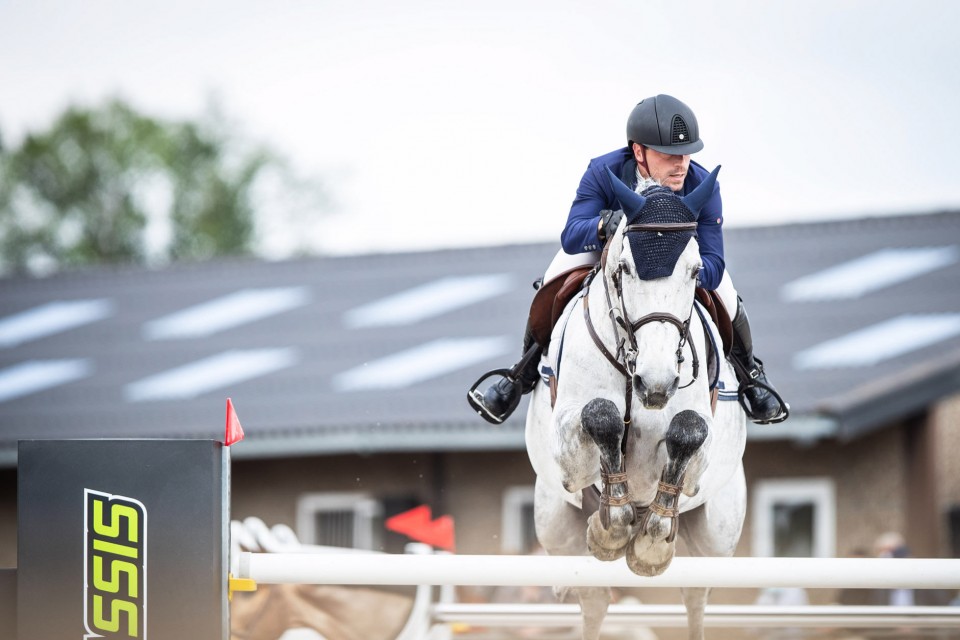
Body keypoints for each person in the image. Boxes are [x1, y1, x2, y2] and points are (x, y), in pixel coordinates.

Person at [470, 94, 787, 425]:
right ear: (639, 152)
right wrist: (608, 224)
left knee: (726, 290)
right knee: (556, 272)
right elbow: (572, 234)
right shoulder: (603, 170)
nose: (681, 164)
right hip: (613, 253)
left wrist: (678, 271)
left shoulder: (702, 185)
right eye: (669, 155)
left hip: (676, 267)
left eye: (686, 154)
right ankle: (522, 372)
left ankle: (750, 375)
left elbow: (714, 262)